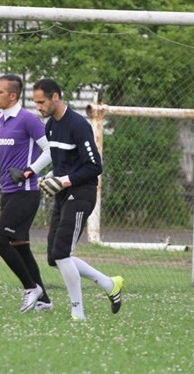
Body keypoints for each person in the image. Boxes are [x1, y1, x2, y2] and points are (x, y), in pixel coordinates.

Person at [31, 78, 123, 320]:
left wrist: (63, 181)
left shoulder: (78, 125)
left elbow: (94, 167)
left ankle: (78, 314)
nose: (38, 107)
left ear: (55, 97)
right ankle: (109, 284)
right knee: (54, 257)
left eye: (41, 102)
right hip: (64, 195)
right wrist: (49, 177)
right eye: (36, 102)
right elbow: (63, 165)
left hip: (81, 194)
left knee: (62, 253)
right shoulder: (51, 126)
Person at [0, 74, 54, 313]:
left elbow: (50, 150)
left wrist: (28, 171)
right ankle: (44, 301)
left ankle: (31, 288)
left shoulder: (28, 120)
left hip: (25, 192)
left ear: (13, 96)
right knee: (20, 246)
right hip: (7, 192)